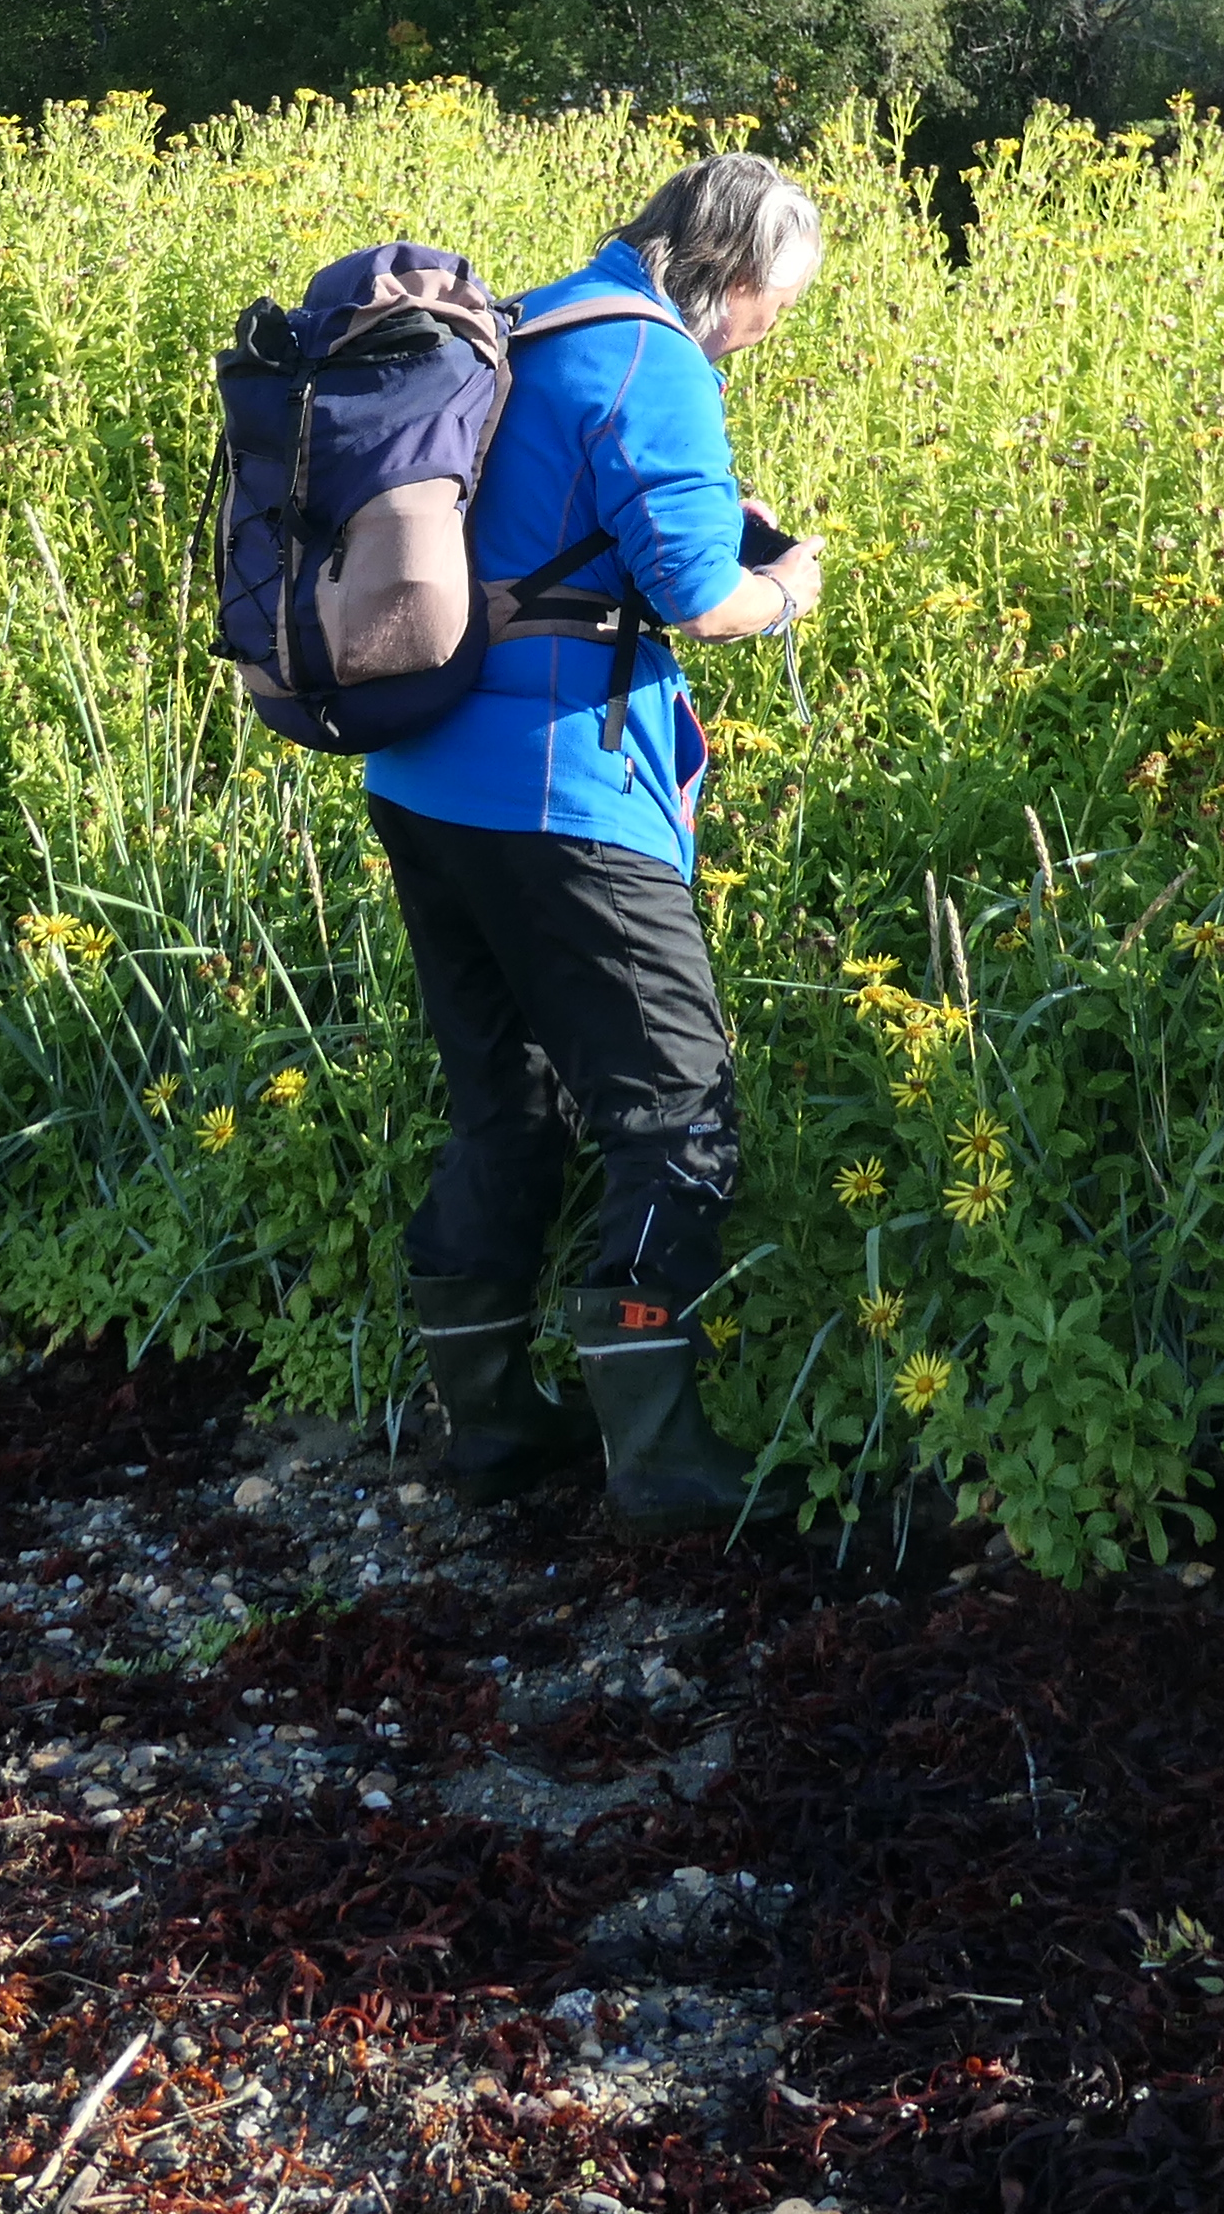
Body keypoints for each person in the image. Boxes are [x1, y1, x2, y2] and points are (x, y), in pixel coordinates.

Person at [359, 151, 829, 1534]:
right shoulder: (657, 363)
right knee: (679, 1111)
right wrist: (786, 591)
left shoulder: (538, 318)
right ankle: (666, 1468)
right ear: (730, 280)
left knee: (503, 1098)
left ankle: (494, 1431)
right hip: (563, 797)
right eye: (773, 306)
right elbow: (696, 596)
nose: (767, 333)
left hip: (423, 779)